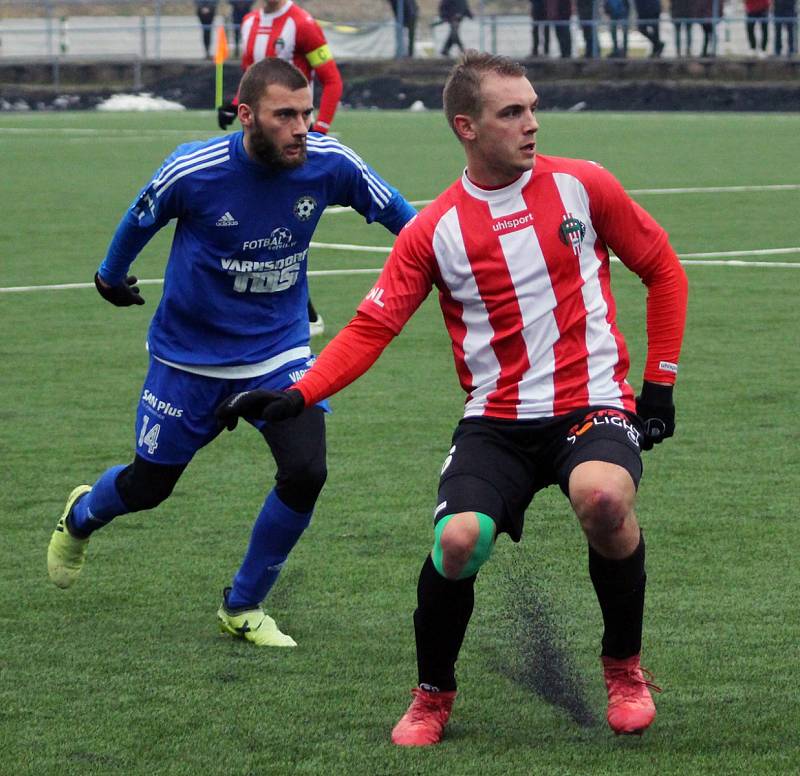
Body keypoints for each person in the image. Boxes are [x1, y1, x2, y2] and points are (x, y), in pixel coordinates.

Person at [215, 51, 689, 744]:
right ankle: (432, 696)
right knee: (459, 541)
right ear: (466, 126)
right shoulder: (432, 230)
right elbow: (373, 326)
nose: (532, 124)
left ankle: (624, 669)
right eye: (512, 112)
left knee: (605, 497)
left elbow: (663, 269)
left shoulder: (584, 187)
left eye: (532, 107)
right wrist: (298, 393)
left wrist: (660, 386)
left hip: (590, 406)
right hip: (494, 423)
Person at [46, 58, 416, 649]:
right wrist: (110, 277)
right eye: (285, 116)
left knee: (306, 471)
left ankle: (243, 604)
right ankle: (84, 513)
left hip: (279, 351)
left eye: (307, 113)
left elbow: (406, 219)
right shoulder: (194, 169)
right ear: (246, 116)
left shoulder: (331, 162)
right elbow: (140, 218)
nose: (302, 127)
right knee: (149, 488)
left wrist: (456, 263)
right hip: (187, 360)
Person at [217, 0, 345, 337]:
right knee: (250, 219)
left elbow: (332, 81)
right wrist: (233, 105)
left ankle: (303, 311)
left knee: (284, 221)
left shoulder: (302, 24)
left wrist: (319, 130)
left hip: (293, 144)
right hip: (260, 139)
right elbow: (251, 80)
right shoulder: (247, 23)